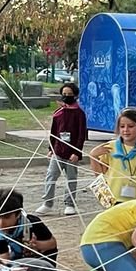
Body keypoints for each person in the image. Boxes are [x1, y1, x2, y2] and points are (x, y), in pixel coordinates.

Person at [90, 108, 136, 203]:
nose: (126, 130)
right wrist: (93, 157)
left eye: (130, 126)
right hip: (114, 200)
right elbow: (100, 175)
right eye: (122, 126)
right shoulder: (110, 147)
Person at [39, 81, 87, 215]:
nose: (66, 96)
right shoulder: (58, 113)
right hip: (58, 151)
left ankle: (69, 204)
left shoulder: (79, 114)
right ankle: (47, 203)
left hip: (72, 153)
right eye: (64, 94)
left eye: (70, 94)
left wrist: (77, 152)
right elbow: (54, 131)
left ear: (75, 95)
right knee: (51, 176)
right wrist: (51, 148)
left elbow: (81, 134)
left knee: (71, 178)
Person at [0, 187, 59, 265]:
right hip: (19, 261)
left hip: (42, 262)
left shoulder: (32, 223)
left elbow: (52, 244)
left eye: (6, 217)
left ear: (18, 214)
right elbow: (4, 254)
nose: (1, 223)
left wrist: (37, 245)